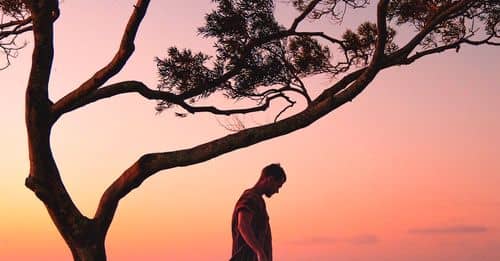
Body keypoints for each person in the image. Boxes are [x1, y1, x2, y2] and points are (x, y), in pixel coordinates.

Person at [230, 163, 287, 261]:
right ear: (270, 179)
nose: (277, 191)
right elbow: (243, 225)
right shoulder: (251, 197)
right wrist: (259, 251)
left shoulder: (257, 200)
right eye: (278, 186)